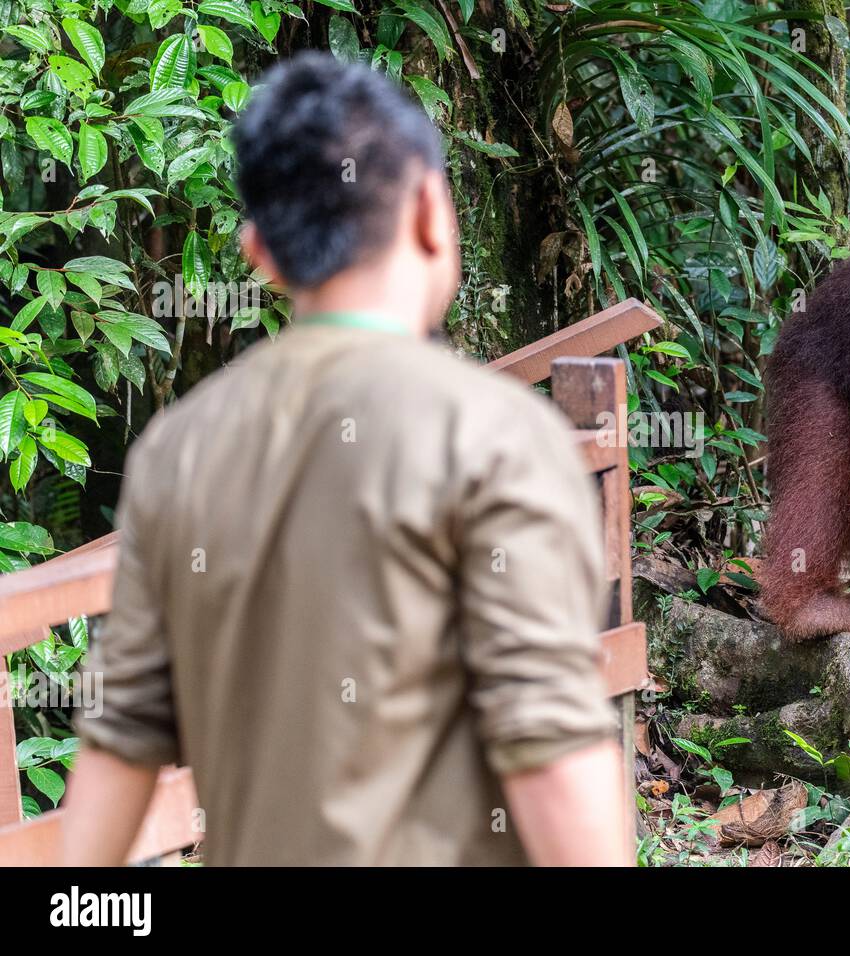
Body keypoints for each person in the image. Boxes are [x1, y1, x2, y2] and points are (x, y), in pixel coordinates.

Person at [60, 53, 631, 866]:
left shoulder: (176, 449)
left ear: (259, 252)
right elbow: (554, 758)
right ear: (433, 211)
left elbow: (119, 742)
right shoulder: (495, 435)